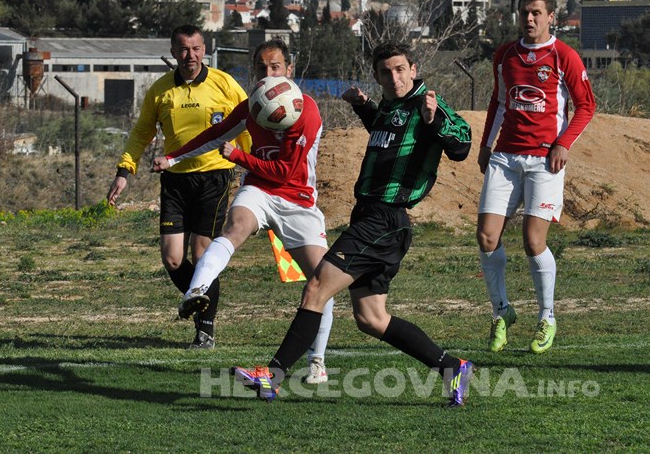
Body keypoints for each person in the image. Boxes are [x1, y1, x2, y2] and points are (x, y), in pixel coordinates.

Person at [231, 41, 476, 407]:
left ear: (413, 68)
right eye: (385, 72)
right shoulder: (392, 108)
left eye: (399, 69)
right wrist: (363, 106)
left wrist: (435, 119)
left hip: (385, 218)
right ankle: (451, 367)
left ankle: (273, 375)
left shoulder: (428, 105)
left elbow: (462, 145)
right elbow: (386, 133)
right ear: (377, 76)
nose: (393, 78)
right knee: (371, 318)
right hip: (372, 218)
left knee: (316, 288)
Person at [153, 39, 335, 384]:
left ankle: (317, 361)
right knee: (234, 228)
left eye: (275, 67)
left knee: (322, 278)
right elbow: (217, 132)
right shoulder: (254, 105)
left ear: (289, 71)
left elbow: (287, 173)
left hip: (297, 199)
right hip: (259, 190)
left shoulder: (306, 110)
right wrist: (173, 158)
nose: (268, 74)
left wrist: (237, 156)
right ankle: (197, 290)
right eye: (262, 69)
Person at [107, 24, 250, 350]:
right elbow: (141, 133)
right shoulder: (160, 91)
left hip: (214, 177)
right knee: (173, 259)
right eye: (184, 49)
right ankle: (196, 299)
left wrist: (254, 165)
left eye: (197, 48)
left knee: (202, 254)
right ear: (173, 52)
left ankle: (205, 329)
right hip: (175, 182)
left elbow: (248, 124)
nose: (191, 55)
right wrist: (123, 171)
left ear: (205, 50)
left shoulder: (225, 84)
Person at [477, 0, 596, 354]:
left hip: (545, 161)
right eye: (524, 13)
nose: (529, 19)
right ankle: (502, 313)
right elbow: (498, 101)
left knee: (533, 242)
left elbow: (586, 106)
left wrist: (564, 143)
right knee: (486, 237)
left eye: (536, 13)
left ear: (550, 17)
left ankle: (547, 316)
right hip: (505, 157)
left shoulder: (564, 56)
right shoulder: (505, 55)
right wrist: (486, 144)